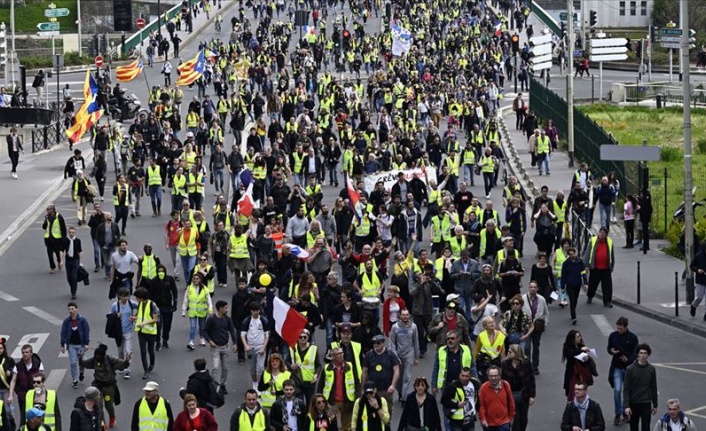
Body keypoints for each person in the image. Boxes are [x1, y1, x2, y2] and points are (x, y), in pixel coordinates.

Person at [78, 344, 130, 428]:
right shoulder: (94, 360)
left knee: (108, 405)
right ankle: (102, 423)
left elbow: (122, 365)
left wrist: (127, 361)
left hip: (109, 386)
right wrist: (80, 357)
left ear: (103, 356)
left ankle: (112, 417)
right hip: (98, 386)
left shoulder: (110, 360)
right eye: (95, 356)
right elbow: (84, 364)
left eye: (98, 357)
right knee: (99, 406)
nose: (97, 358)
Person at [607, 317, 639, 426]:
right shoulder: (613, 336)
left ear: (626, 327)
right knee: (617, 391)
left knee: (627, 392)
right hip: (617, 367)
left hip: (629, 368)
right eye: (617, 328)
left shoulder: (633, 338)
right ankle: (618, 413)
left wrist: (629, 360)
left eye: (620, 329)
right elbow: (609, 348)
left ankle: (626, 412)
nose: (618, 331)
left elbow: (636, 353)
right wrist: (611, 351)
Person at [318, 346, 358, 431]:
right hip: (331, 403)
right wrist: (320, 400)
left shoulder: (350, 366)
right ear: (333, 357)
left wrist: (357, 398)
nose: (341, 355)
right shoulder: (326, 368)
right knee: (331, 425)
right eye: (338, 354)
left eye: (342, 353)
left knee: (347, 427)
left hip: (347, 402)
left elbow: (357, 383)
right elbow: (320, 385)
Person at [203, 300, 237, 394]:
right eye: (225, 308)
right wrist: (209, 341)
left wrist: (234, 343)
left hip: (225, 346)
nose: (227, 309)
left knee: (225, 368)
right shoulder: (212, 319)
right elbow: (204, 331)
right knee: (215, 367)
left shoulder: (227, 319)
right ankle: (215, 386)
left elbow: (232, 331)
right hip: (215, 348)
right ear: (220, 308)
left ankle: (223, 385)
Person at [361, 334, 400, 417]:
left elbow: (396, 370)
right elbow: (364, 372)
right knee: (372, 411)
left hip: (386, 389)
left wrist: (393, 385)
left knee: (387, 411)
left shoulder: (390, 354)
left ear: (383, 343)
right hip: (373, 391)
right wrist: (363, 388)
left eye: (378, 343)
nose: (375, 345)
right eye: (374, 343)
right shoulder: (369, 355)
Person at [623, 344, 658, 431]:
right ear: (637, 355)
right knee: (633, 426)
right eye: (641, 353)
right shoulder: (630, 369)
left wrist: (655, 404)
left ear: (648, 355)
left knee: (646, 427)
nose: (643, 355)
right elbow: (626, 389)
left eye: (645, 353)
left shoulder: (651, 369)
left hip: (646, 402)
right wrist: (626, 406)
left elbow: (653, 387)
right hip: (633, 402)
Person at [500, 345, 535, 431]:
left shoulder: (526, 363)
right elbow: (502, 381)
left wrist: (531, 396)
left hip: (524, 395)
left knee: (523, 420)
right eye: (508, 351)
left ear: (516, 353)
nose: (508, 353)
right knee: (515, 421)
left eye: (510, 352)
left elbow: (531, 380)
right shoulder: (505, 364)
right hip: (510, 395)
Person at [388, 308, 419, 401]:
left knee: (407, 377)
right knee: (399, 378)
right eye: (403, 315)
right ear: (400, 316)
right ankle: (401, 392)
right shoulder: (395, 327)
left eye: (407, 314)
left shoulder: (413, 327)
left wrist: (416, 357)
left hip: (409, 354)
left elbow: (415, 342)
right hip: (398, 355)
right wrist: (393, 357)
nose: (405, 316)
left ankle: (404, 399)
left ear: (409, 315)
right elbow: (392, 343)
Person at [431, 329, 473, 397]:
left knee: (463, 406)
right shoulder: (441, 351)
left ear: (458, 339)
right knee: (447, 406)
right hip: (446, 386)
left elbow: (472, 367)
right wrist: (433, 385)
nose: (450, 341)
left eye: (452, 338)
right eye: (448, 339)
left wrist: (475, 382)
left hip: (463, 385)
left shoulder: (466, 350)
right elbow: (436, 369)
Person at [287, 328, 321, 405]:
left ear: (308, 337)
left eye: (304, 337)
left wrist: (316, 375)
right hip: (297, 380)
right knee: (299, 403)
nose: (302, 339)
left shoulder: (313, 349)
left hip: (310, 381)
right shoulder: (292, 348)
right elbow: (287, 361)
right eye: (300, 337)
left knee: (310, 403)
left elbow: (318, 365)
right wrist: (291, 366)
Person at [521, 282, 549, 375]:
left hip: (537, 327)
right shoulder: (523, 298)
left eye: (534, 287)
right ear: (528, 288)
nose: (533, 289)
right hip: (526, 328)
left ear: (537, 289)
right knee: (527, 348)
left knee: (536, 347)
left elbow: (546, 313)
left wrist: (545, 324)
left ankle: (535, 366)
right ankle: (527, 366)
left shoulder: (541, 299)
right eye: (531, 287)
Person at [60, 302, 90, 389]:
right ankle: (75, 379)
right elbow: (63, 333)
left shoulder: (82, 320)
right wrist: (62, 345)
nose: (70, 311)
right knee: (73, 362)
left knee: (83, 361)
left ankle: (81, 372)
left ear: (76, 309)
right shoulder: (66, 321)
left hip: (81, 345)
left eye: (72, 309)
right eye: (69, 309)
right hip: (72, 345)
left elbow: (86, 331)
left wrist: (87, 343)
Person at [241, 302, 269, 391]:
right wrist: (246, 346)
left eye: (257, 310)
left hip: (260, 347)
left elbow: (267, 335)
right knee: (252, 368)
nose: (256, 312)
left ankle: (259, 386)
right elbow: (242, 335)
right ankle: (255, 383)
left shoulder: (264, 321)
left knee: (260, 368)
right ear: (251, 311)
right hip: (250, 348)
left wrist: (263, 347)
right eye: (254, 311)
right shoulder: (247, 321)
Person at [584, 227, 615, 308]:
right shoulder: (593, 240)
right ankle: (590, 296)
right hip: (595, 267)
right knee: (592, 284)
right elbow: (587, 253)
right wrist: (586, 265)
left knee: (607, 286)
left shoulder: (609, 241)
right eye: (600, 232)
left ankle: (607, 301)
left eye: (603, 233)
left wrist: (612, 265)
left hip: (606, 268)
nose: (602, 234)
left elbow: (612, 254)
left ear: (606, 234)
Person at [477, 365, 515, 431]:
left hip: (504, 422)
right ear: (488, 377)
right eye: (491, 376)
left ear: (500, 376)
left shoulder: (506, 385)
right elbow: (481, 406)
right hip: (489, 424)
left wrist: (511, 418)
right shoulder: (483, 388)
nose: (493, 378)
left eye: (495, 376)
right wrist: (483, 419)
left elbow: (511, 402)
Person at [182, 273, 214, 351]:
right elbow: (185, 300)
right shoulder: (189, 288)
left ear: (200, 280)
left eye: (197, 279)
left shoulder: (205, 289)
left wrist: (210, 309)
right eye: (194, 279)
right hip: (192, 312)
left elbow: (209, 300)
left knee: (202, 326)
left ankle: (202, 338)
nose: (195, 280)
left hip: (202, 311)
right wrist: (183, 311)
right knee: (193, 326)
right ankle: (191, 341)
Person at [562, 330, 595, 402]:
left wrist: (586, 358)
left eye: (580, 336)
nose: (580, 338)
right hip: (572, 373)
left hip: (581, 374)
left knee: (581, 393)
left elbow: (585, 359)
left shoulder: (581, 346)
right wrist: (581, 350)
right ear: (572, 339)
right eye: (577, 337)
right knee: (572, 393)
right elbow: (571, 354)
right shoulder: (568, 347)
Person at [133, 287, 159, 380]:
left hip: (151, 332)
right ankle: (146, 371)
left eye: (137, 297)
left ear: (141, 297)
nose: (136, 299)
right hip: (141, 331)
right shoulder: (140, 304)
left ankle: (151, 364)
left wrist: (144, 323)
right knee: (143, 351)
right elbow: (140, 314)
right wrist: (134, 318)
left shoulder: (152, 304)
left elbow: (155, 319)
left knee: (150, 350)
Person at [152, 265, 179, 350]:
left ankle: (165, 340)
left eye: (162, 271)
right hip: (157, 307)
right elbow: (150, 295)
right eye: (159, 271)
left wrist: (174, 304)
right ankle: (157, 341)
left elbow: (174, 291)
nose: (161, 273)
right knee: (157, 325)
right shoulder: (154, 281)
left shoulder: (169, 279)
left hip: (168, 306)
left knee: (167, 325)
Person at [474, 316, 505, 383]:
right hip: (485, 362)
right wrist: (475, 364)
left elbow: (502, 351)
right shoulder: (481, 335)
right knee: (486, 381)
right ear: (485, 326)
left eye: (493, 322)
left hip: (496, 362)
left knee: (497, 381)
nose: (492, 324)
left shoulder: (500, 335)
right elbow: (477, 350)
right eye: (489, 323)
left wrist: (503, 364)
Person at [561, 247, 588, 325]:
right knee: (572, 300)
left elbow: (583, 272)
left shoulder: (579, 262)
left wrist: (585, 283)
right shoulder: (566, 263)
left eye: (574, 253)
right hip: (569, 284)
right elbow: (563, 275)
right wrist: (562, 286)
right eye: (571, 254)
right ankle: (574, 317)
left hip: (577, 283)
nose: (573, 255)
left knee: (575, 299)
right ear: (569, 255)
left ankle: (573, 310)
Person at [42, 204, 67, 274]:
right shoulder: (46, 217)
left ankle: (59, 260)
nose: (47, 211)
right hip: (48, 238)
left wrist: (64, 238)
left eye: (48, 209)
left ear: (52, 210)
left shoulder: (59, 217)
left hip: (57, 238)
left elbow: (63, 228)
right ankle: (52, 267)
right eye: (47, 209)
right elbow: (44, 227)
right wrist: (44, 223)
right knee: (49, 253)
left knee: (57, 252)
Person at [62, 226, 83, 300]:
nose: (71, 234)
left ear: (75, 233)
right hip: (68, 260)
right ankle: (72, 287)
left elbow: (80, 251)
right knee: (69, 277)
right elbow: (62, 250)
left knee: (74, 276)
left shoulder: (78, 241)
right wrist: (61, 261)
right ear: (68, 232)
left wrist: (80, 262)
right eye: (70, 232)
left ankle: (73, 292)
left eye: (73, 232)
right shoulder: (65, 240)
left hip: (75, 260)